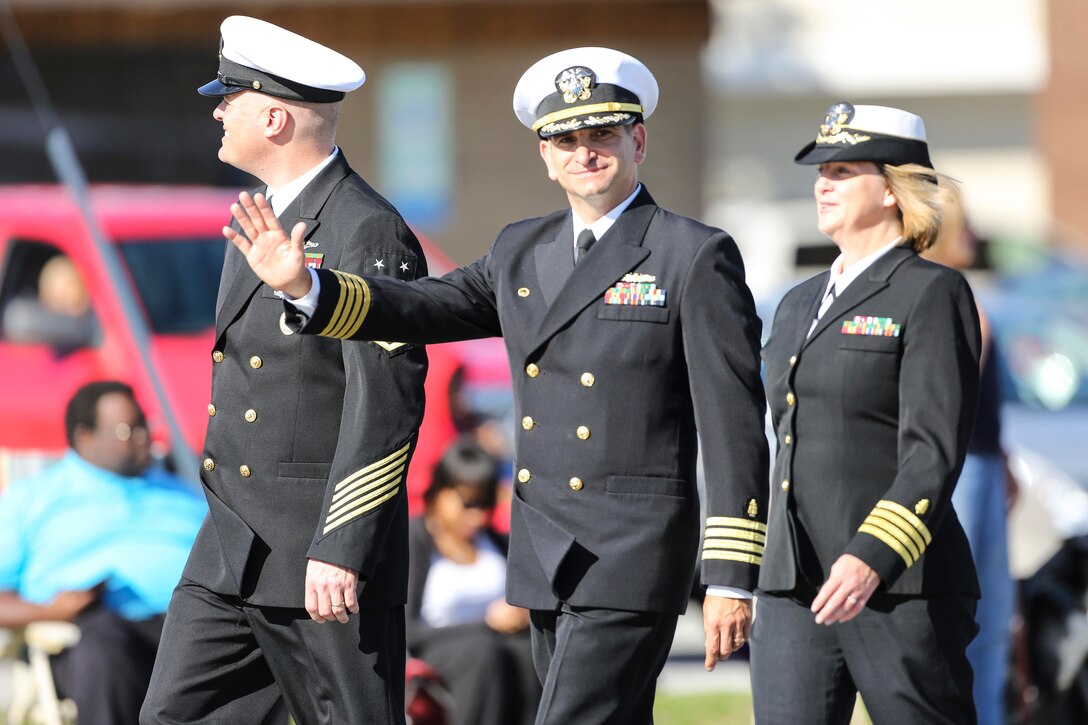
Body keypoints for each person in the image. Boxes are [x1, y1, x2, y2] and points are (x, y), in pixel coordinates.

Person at [226, 46, 770, 724]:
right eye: (565, 139)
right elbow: (424, 306)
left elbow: (734, 423)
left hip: (631, 553)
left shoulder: (691, 253)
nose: (584, 152)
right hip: (544, 549)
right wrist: (308, 286)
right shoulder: (522, 248)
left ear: (638, 139)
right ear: (545, 155)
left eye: (601, 134)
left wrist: (729, 574)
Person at [140, 16, 428, 725]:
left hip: (317, 552)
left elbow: (385, 402)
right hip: (233, 542)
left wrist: (343, 545)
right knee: (175, 714)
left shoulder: (367, 228)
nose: (216, 109)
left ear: (273, 116)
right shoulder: (261, 218)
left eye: (228, 96)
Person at [754, 102, 983, 724]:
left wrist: (872, 557)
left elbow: (932, 451)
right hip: (794, 585)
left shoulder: (932, 292)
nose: (822, 183)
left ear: (892, 190)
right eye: (820, 170)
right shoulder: (797, 303)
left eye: (843, 170)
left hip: (898, 584)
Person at [0, 380, 205, 725]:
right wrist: (50, 610)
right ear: (85, 437)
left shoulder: (182, 493)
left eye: (145, 425)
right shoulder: (32, 500)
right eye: (129, 430)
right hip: (93, 633)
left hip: (185, 625)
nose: (145, 437)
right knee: (103, 646)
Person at [924, 203, 1018, 724]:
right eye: (966, 224)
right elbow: (946, 407)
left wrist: (1003, 460)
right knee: (969, 618)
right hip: (960, 473)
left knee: (993, 621)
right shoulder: (945, 299)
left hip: (982, 466)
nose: (976, 234)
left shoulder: (964, 296)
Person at [407, 437, 540, 725]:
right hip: (435, 648)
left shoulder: (493, 540)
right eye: (468, 502)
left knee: (529, 651)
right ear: (440, 491)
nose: (477, 515)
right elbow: (406, 630)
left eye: (485, 503)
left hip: (496, 643)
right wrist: (487, 625)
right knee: (481, 652)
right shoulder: (415, 538)